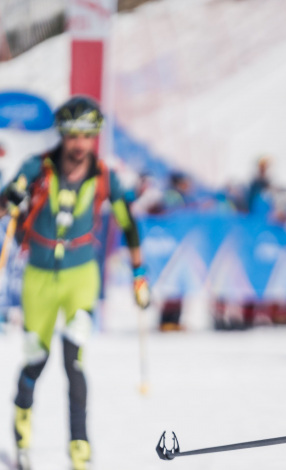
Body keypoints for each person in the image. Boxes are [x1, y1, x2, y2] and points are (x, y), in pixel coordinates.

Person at [6, 96, 150, 470]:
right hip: (39, 277)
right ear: (63, 135)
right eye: (72, 135)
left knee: (74, 362)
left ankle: (79, 451)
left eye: (86, 136)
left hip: (81, 278)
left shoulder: (104, 176)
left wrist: (138, 274)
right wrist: (11, 198)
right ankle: (22, 433)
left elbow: (128, 221)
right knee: (36, 360)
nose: (78, 144)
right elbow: (6, 204)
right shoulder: (37, 167)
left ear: (95, 137)